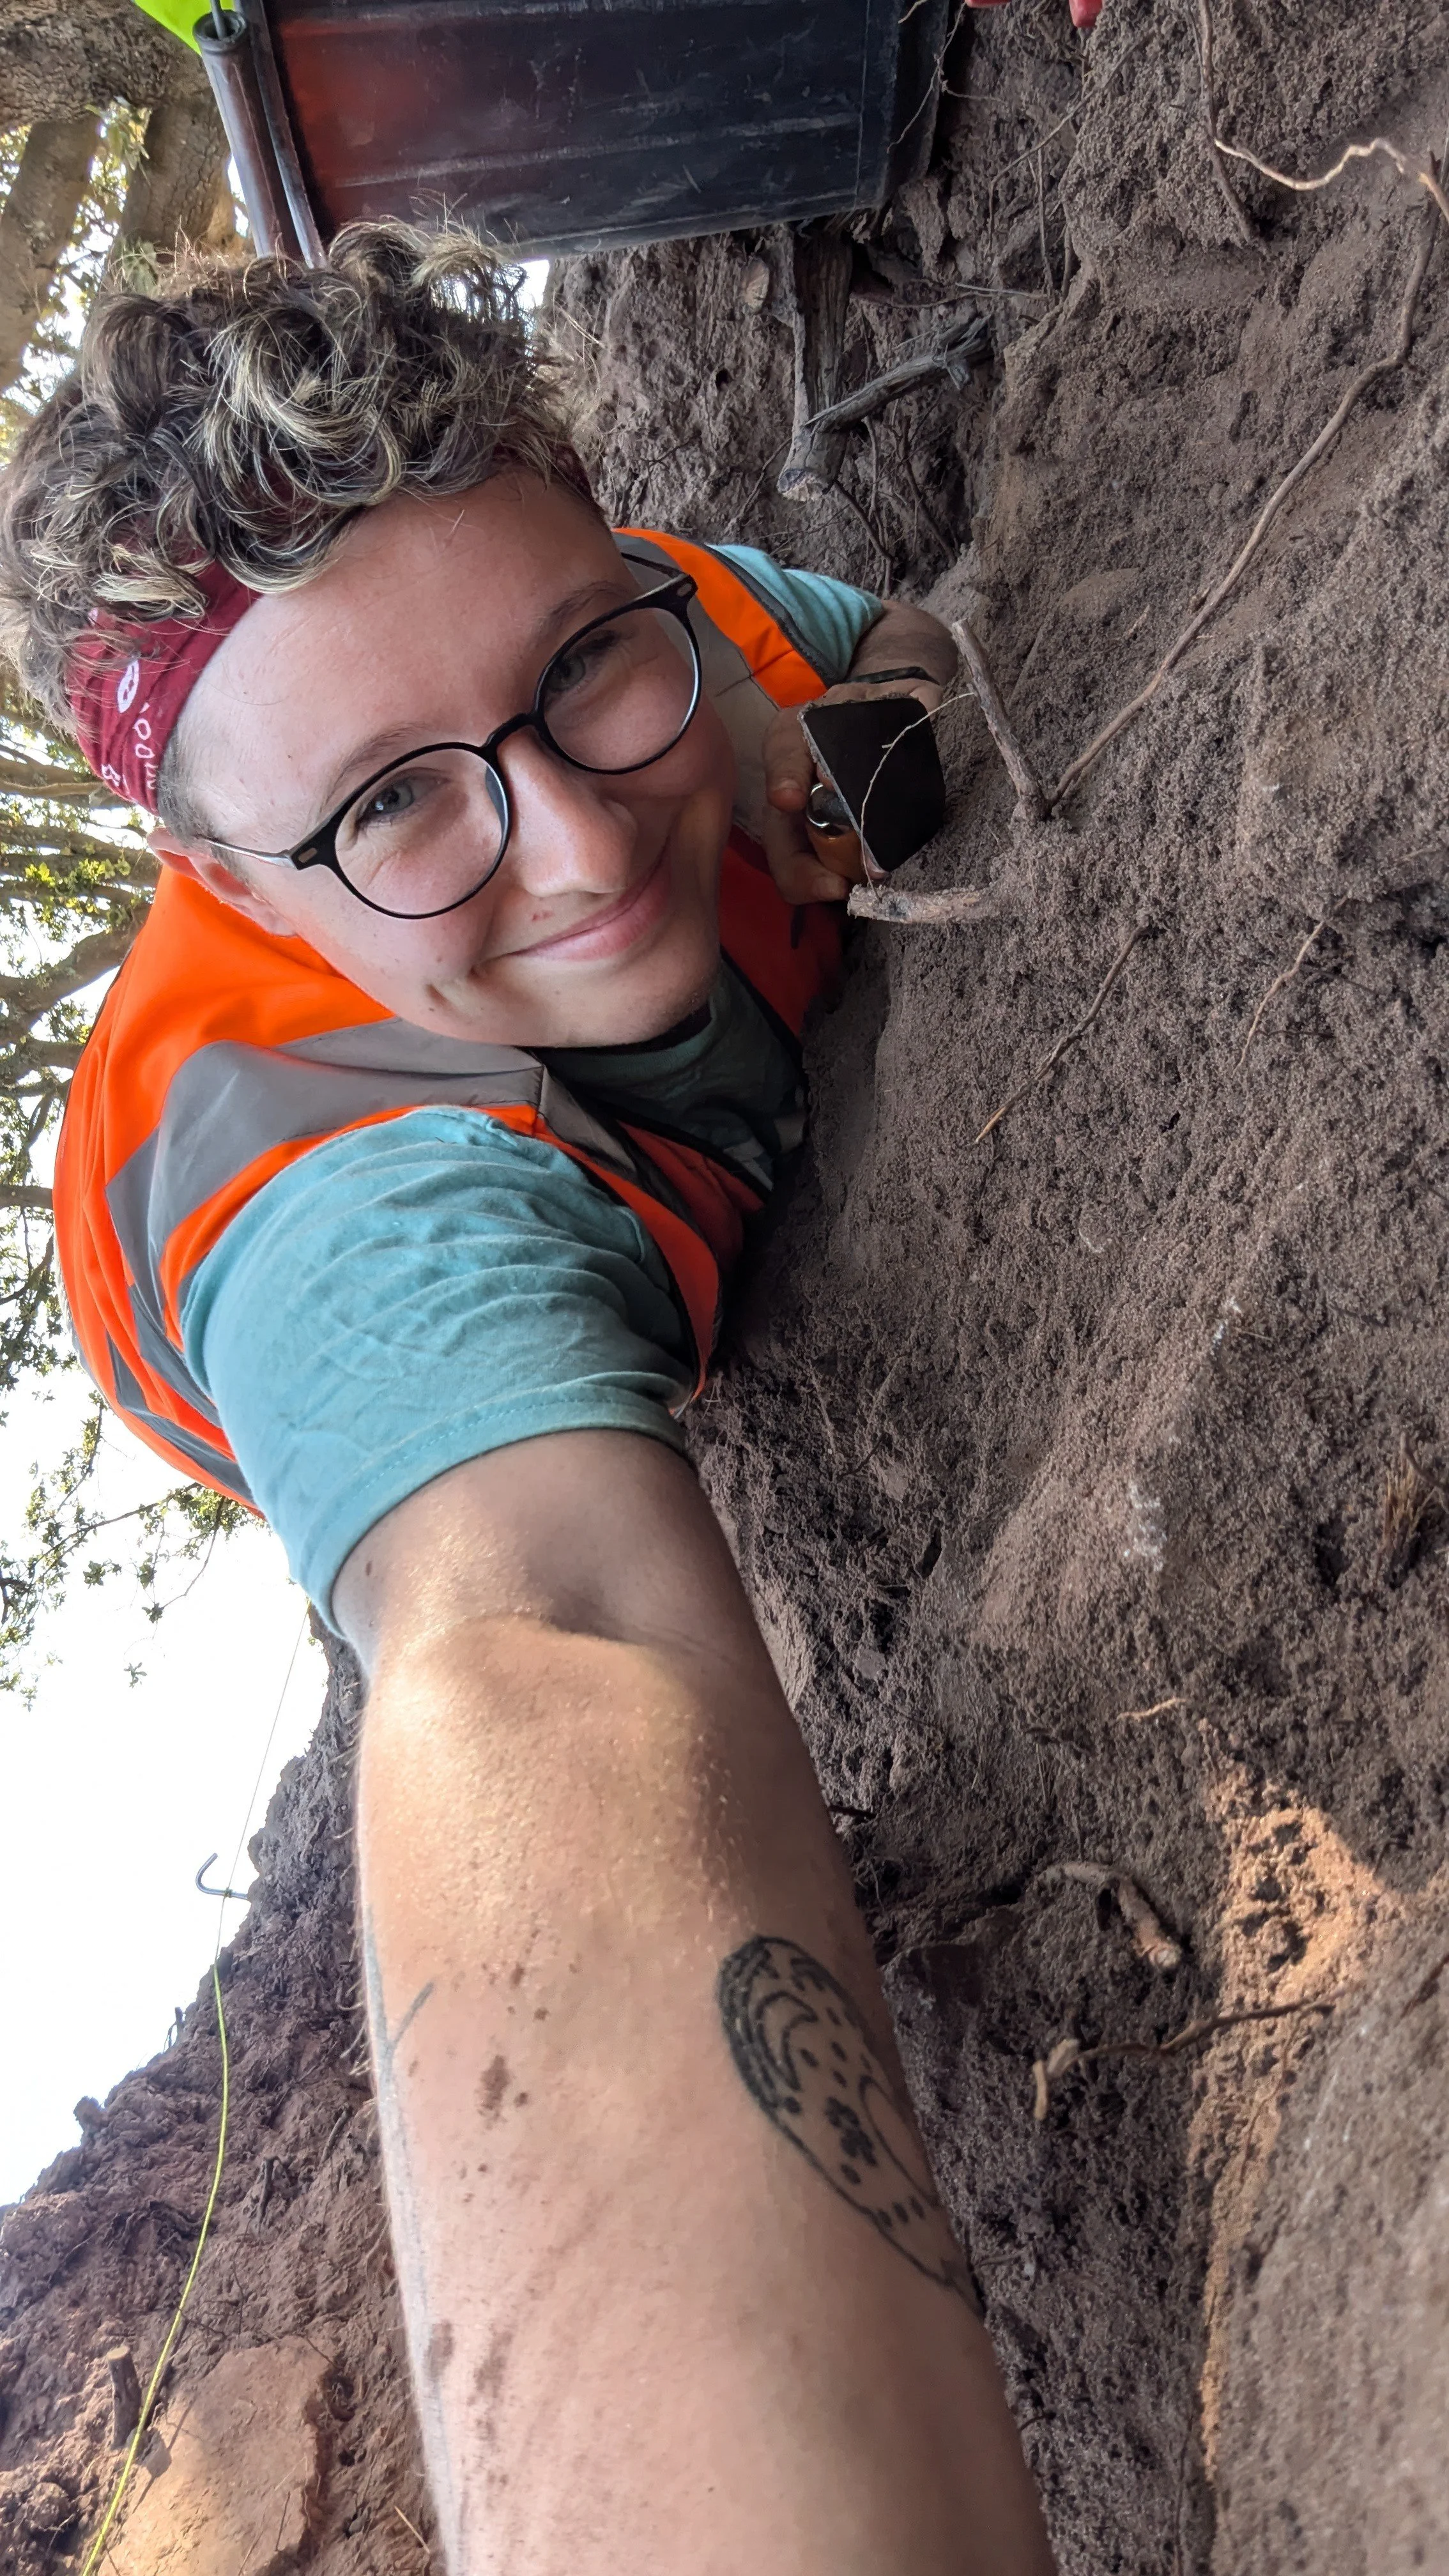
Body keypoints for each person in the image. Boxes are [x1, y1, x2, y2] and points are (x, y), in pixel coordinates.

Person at [0, 227, 1053, 2575]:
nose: (571, 842)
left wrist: (821, 752)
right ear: (223, 872)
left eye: (588, 666)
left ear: (609, 549)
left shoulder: (678, 640)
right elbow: (537, 1639)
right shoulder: (348, 1202)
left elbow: (857, 643)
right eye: (392, 812)